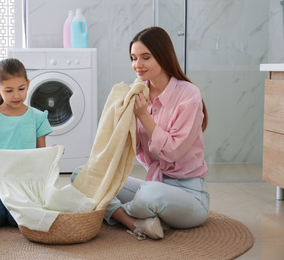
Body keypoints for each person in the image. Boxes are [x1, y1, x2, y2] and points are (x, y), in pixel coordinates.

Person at [72, 26, 209, 240]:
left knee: (149, 195)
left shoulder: (188, 95)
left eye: (146, 57)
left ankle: (112, 210)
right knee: (82, 174)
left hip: (189, 192)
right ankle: (137, 223)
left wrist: (143, 114)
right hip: (153, 183)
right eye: (133, 58)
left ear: (163, 56)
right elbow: (126, 145)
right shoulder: (136, 92)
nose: (137, 65)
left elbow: (173, 152)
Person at [0, 58, 52, 228]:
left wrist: (50, 156)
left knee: (16, 220)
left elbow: (41, 157)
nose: (16, 95)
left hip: (26, 181)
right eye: (9, 90)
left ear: (28, 84)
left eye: (21, 89)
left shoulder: (38, 118)